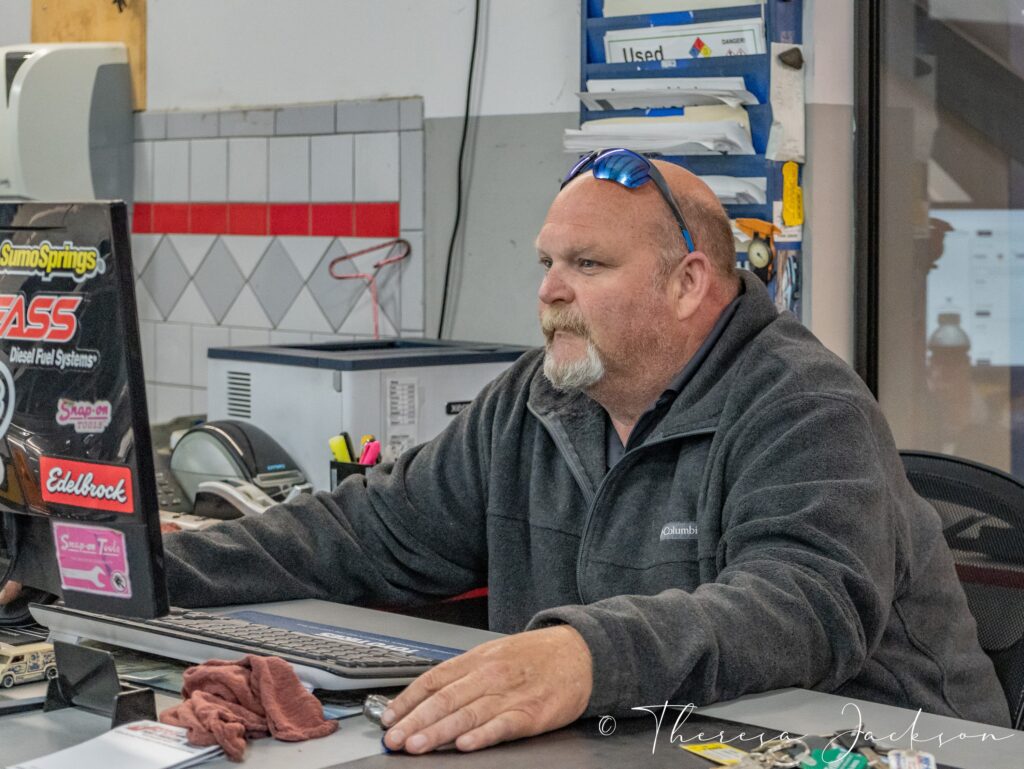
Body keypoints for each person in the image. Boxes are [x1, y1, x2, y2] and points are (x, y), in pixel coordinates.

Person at [10, 149, 1009, 751]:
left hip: (884, 745)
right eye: (545, 262)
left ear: (688, 283)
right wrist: (116, 562)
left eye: (587, 263)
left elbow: (803, 604)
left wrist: (584, 655)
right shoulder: (538, 400)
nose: (549, 290)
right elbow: (358, 533)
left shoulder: (801, 401)